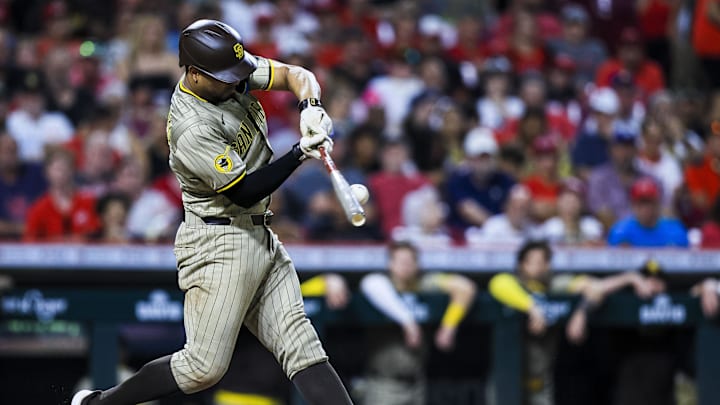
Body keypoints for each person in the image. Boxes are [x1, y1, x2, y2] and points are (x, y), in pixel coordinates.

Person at [72, 19, 352, 405]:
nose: (236, 81)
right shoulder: (192, 126)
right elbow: (243, 191)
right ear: (193, 73)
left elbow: (294, 75)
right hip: (218, 242)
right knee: (202, 368)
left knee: (303, 347)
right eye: (224, 76)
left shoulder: (228, 71)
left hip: (259, 235)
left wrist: (311, 107)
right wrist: (299, 152)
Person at [487, 240, 660, 405]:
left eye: (547, 261)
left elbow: (596, 288)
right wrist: (532, 307)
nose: (544, 266)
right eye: (537, 262)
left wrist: (581, 312)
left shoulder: (554, 285)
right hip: (507, 381)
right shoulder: (513, 285)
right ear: (522, 265)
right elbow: (497, 283)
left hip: (540, 384)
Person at [359, 241, 477, 405]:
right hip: (384, 384)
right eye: (401, 262)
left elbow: (465, 287)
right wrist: (408, 322)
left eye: (410, 262)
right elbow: (369, 283)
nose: (406, 267)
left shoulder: (424, 284)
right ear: (390, 264)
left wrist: (448, 326)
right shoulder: (382, 285)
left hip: (417, 383)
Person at [23, 147, 101, 242]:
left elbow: (97, 233)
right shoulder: (38, 208)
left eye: (66, 169)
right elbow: (29, 241)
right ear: (47, 172)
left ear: (73, 171)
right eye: (57, 169)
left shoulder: (88, 202)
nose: (61, 174)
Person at [607, 177, 689, 247]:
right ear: (633, 206)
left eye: (650, 202)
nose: (646, 208)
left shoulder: (675, 231)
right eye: (641, 203)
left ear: (658, 204)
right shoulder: (620, 231)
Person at [536, 177, 603, 246]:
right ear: (559, 203)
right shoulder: (549, 228)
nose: (570, 206)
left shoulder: (592, 226)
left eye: (574, 201)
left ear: (582, 204)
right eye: (566, 201)